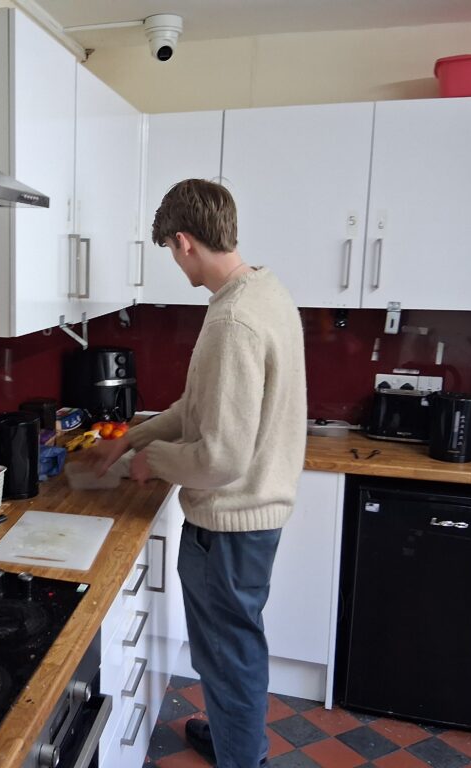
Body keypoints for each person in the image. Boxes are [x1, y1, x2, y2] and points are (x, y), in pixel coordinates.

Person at [93, 179, 306, 768]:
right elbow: (199, 406)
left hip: (231, 525)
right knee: (235, 647)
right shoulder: (264, 292)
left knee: (228, 653)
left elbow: (219, 459)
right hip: (253, 518)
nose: (174, 261)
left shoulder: (233, 322)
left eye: (169, 248)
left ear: (184, 241)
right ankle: (242, 740)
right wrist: (133, 437)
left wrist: (150, 461)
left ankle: (243, 758)